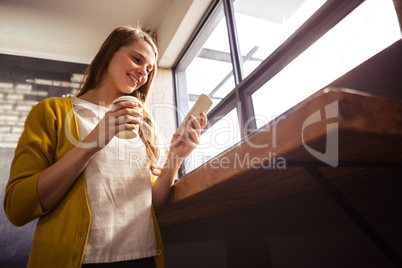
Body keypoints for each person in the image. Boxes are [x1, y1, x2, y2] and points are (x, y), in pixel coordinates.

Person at [3, 26, 207, 268]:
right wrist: (94, 141)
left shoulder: (142, 125)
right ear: (110, 52)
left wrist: (176, 156)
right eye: (137, 59)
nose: (143, 71)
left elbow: (150, 204)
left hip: (143, 258)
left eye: (149, 69)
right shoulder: (52, 113)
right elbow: (18, 208)